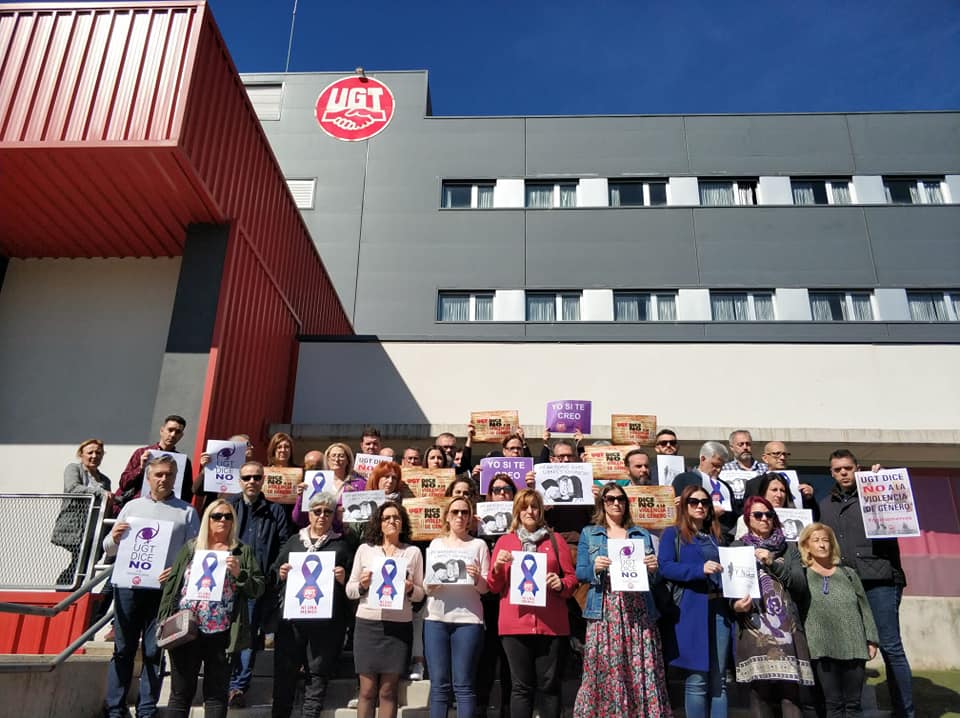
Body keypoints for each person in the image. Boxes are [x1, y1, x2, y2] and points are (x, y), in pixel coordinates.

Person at [102, 455, 200, 718]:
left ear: (175, 477)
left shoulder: (187, 512)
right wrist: (113, 537)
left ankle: (147, 710)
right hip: (128, 588)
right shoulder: (132, 508)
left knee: (154, 651)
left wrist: (177, 572)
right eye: (158, 474)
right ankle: (115, 708)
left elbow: (194, 554)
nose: (163, 479)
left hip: (164, 593)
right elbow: (109, 549)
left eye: (169, 474)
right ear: (148, 477)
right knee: (122, 649)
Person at [819, 450, 913, 718]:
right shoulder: (825, 505)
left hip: (881, 580)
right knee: (851, 649)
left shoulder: (877, 493)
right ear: (831, 473)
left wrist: (886, 482)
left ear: (857, 468)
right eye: (837, 470)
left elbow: (902, 508)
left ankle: (904, 712)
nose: (843, 473)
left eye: (848, 468)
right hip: (846, 584)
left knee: (890, 646)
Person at [158, 499, 265, 718]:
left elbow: (258, 588)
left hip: (222, 632)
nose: (222, 520)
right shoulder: (191, 548)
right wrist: (165, 597)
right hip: (186, 628)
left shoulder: (242, 551)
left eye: (228, 516)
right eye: (217, 516)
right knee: (180, 693)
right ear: (208, 519)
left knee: (216, 695)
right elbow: (174, 586)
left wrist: (239, 574)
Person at [574, 482, 671, 717]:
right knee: (606, 668)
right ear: (603, 503)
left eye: (620, 499)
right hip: (605, 608)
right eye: (610, 499)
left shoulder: (641, 533)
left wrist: (653, 568)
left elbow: (655, 578)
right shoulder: (590, 533)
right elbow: (580, 572)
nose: (616, 503)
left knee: (640, 668)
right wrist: (595, 568)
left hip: (638, 610)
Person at [487, 489, 577, 718]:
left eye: (534, 506)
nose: (530, 511)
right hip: (515, 625)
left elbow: (571, 578)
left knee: (549, 686)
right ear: (517, 510)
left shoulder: (555, 541)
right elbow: (494, 586)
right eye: (525, 506)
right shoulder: (505, 541)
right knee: (521, 687)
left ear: (541, 511)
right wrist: (497, 567)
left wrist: (561, 583)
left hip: (551, 626)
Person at [270, 492, 355, 718]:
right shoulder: (294, 542)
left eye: (327, 512)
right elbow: (273, 574)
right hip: (293, 623)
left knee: (317, 679)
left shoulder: (341, 545)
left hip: (326, 625)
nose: (322, 516)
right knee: (285, 676)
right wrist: (281, 573)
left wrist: (343, 578)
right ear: (309, 514)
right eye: (317, 511)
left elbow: (355, 586)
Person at [730, 496, 814, 718]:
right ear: (748, 519)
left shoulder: (789, 548)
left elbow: (800, 584)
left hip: (787, 626)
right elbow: (730, 587)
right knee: (760, 692)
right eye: (758, 515)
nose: (764, 519)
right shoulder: (737, 547)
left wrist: (772, 562)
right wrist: (735, 605)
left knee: (791, 691)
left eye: (769, 515)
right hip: (754, 625)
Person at [785, 523, 879, 718]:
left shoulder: (848, 574)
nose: (822, 545)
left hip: (854, 647)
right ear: (806, 546)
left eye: (826, 540)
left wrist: (871, 639)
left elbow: (865, 608)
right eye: (816, 540)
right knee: (833, 704)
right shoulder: (802, 575)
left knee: (853, 705)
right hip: (821, 648)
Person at [659, 484, 734, 718]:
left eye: (704, 502)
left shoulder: (717, 536)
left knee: (719, 678)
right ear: (684, 505)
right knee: (696, 677)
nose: (700, 506)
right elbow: (665, 567)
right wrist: (699, 569)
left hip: (720, 608)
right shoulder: (673, 533)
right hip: (690, 609)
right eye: (694, 502)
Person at [345, 501, 425, 718]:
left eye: (396, 518)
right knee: (367, 690)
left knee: (388, 691)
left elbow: (421, 594)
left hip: (398, 627)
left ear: (403, 523)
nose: (392, 521)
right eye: (387, 518)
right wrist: (362, 584)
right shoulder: (365, 550)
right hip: (368, 625)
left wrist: (410, 589)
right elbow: (350, 590)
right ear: (379, 524)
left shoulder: (413, 553)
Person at [226, 462, 293, 707]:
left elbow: (284, 544)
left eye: (256, 477)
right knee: (226, 634)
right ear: (240, 480)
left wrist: (272, 574)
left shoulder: (274, 511)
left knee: (248, 636)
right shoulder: (228, 507)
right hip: (227, 583)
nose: (252, 481)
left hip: (257, 584)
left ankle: (237, 687)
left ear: (263, 479)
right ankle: (223, 680)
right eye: (247, 477)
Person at [423, 496, 490, 718]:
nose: (460, 516)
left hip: (468, 620)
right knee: (439, 685)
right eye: (455, 512)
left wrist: (477, 578)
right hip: (436, 620)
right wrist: (431, 583)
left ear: (471, 518)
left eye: (464, 512)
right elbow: (426, 587)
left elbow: (486, 588)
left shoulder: (479, 545)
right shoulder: (436, 545)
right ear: (447, 517)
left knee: (463, 684)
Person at [476, 476, 517, 718]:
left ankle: (508, 711)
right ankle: (481, 709)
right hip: (486, 603)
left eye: (507, 489)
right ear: (489, 495)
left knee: (510, 662)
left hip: (512, 601)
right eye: (496, 490)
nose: (501, 494)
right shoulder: (480, 529)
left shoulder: (522, 530)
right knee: (485, 659)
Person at [53, 438, 113, 585]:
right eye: (90, 452)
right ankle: (64, 589)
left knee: (89, 560)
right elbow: (72, 488)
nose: (94, 456)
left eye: (98, 453)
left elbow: (108, 499)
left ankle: (76, 589)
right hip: (75, 525)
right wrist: (99, 492)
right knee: (79, 560)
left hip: (94, 527)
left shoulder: (105, 479)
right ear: (81, 454)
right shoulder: (74, 468)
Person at [116, 414, 195, 508]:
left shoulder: (184, 462)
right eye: (170, 430)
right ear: (162, 430)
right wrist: (140, 468)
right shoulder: (141, 453)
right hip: (140, 506)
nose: (173, 435)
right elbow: (124, 484)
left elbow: (187, 494)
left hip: (168, 509)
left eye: (177, 432)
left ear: (181, 436)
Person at [672, 441, 738, 540]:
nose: (718, 470)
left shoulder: (724, 487)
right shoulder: (683, 480)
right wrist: (710, 512)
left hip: (719, 537)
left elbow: (732, 517)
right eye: (715, 465)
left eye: (721, 466)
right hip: (690, 536)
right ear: (703, 459)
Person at [735, 473, 796, 540]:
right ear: (764, 492)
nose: (779, 495)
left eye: (782, 491)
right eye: (774, 490)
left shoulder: (794, 518)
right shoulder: (746, 519)